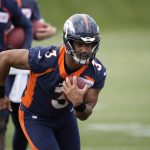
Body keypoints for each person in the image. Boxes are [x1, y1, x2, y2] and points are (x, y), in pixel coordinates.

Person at [0, 14, 106, 150]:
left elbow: (84, 115)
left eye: (89, 44)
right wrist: (1, 94)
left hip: (65, 118)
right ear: (68, 41)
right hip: (35, 117)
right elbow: (4, 58)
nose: (85, 49)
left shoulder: (97, 71)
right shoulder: (45, 59)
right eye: (80, 44)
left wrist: (79, 104)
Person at [7, 0, 57, 150]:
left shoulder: (30, 3)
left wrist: (51, 30)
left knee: (21, 121)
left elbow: (38, 29)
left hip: (21, 66)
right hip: (3, 62)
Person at [0, 0, 32, 149]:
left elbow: (26, 25)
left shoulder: (7, 3)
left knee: (10, 116)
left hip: (4, 65)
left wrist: (23, 52)